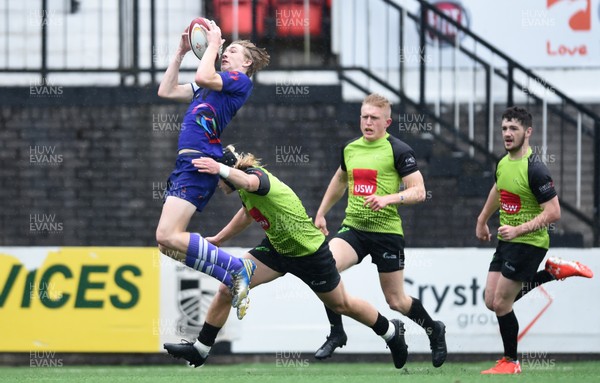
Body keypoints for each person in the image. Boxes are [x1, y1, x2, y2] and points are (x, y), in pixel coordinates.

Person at [163, 146, 409, 369]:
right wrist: (218, 239)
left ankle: (390, 332)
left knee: (342, 305)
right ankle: (201, 350)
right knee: (228, 287)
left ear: (228, 171)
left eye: (217, 178)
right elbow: (247, 214)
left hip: (309, 253)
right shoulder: (241, 187)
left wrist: (220, 169)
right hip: (276, 249)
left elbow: (249, 183)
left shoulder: (255, 176)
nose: (217, 184)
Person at [312, 93, 447, 368]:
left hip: (386, 234)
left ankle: (434, 330)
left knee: (396, 301)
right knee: (322, 267)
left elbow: (419, 192)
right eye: (364, 117)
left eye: (374, 118)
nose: (368, 122)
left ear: (388, 121)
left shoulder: (399, 150)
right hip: (354, 229)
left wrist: (388, 198)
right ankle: (337, 332)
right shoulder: (350, 149)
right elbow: (340, 179)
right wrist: (321, 212)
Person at [155, 20, 270, 308]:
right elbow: (166, 91)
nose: (225, 54)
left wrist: (215, 43)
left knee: (167, 235)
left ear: (245, 63)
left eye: (232, 51)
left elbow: (204, 75)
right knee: (166, 245)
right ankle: (230, 276)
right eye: (225, 49)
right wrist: (180, 53)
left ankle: (236, 267)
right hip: (186, 163)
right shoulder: (210, 83)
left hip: (198, 162)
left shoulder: (238, 81)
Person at [476, 106, 594, 375]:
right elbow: (498, 188)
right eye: (504, 128)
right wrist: (482, 219)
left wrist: (520, 230)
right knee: (490, 300)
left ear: (528, 132)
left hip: (529, 242)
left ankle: (511, 362)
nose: (507, 133)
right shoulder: (503, 163)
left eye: (513, 128)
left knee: (502, 304)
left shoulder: (536, 169)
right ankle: (551, 273)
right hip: (508, 241)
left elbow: (554, 212)